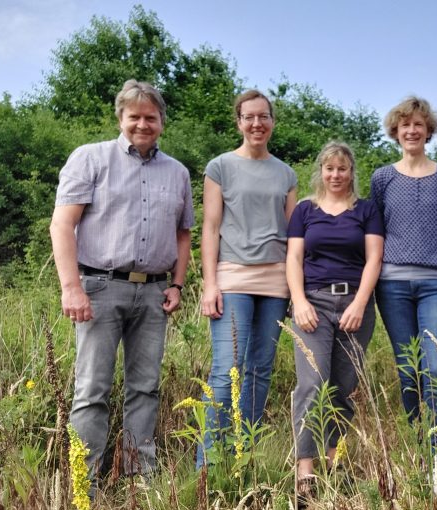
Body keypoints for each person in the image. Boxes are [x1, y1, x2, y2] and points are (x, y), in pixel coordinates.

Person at [50, 79, 194, 480]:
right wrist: (71, 287)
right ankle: (85, 483)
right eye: (135, 117)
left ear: (162, 121)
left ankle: (137, 481)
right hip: (98, 288)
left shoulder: (177, 173)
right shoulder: (90, 159)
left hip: (153, 292)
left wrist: (177, 284)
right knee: (92, 390)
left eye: (151, 117)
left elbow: (184, 234)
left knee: (145, 388)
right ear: (121, 118)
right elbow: (62, 225)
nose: (143, 124)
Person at [197, 89, 297, 466]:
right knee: (228, 370)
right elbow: (210, 227)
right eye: (249, 117)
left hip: (275, 282)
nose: (257, 123)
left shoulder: (285, 173)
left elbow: (292, 235)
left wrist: (294, 288)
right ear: (239, 122)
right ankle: (207, 467)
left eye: (264, 116)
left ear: (272, 122)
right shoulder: (220, 166)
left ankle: (243, 458)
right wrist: (210, 284)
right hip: (232, 277)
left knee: (259, 372)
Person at [286, 142, 384, 500]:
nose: (336, 175)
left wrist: (359, 303)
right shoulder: (304, 210)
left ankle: (336, 465)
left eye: (342, 169)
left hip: (355, 304)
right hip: (313, 302)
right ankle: (306, 471)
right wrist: (298, 301)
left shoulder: (367, 210)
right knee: (312, 384)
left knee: (342, 387)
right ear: (321, 172)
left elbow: (374, 259)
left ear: (351, 172)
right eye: (329, 169)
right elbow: (294, 258)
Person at [369, 97, 437, 459]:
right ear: (396, 131)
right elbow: (376, 231)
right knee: (408, 368)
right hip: (391, 285)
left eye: (418, 125)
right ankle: (418, 445)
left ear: (428, 130)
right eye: (405, 125)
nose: (411, 130)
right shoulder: (382, 178)